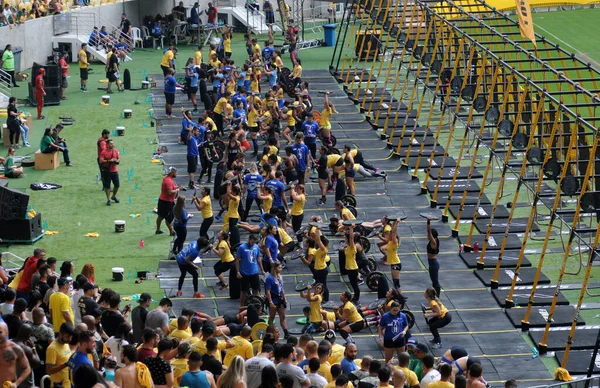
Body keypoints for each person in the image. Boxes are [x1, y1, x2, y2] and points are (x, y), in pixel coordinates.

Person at [0, 322, 30, 387]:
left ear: (7, 332)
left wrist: (16, 383)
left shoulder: (15, 349)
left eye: (0, 332)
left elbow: (27, 368)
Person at [265, 261, 289, 338]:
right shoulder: (269, 278)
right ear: (275, 268)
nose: (281, 269)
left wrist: (285, 298)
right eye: (279, 267)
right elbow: (268, 291)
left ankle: (286, 333)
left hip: (280, 299)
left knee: (283, 316)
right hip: (273, 299)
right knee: (272, 317)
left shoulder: (280, 277)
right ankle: (268, 332)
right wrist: (270, 302)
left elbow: (282, 289)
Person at [236, 234, 261, 306]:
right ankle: (241, 305)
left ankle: (259, 305)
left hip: (254, 272)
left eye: (254, 242)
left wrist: (262, 270)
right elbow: (237, 260)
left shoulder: (256, 247)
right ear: (249, 240)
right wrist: (238, 272)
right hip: (245, 273)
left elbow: (258, 259)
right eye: (252, 242)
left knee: (256, 290)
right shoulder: (242, 247)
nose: (253, 243)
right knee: (243, 291)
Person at [157, 166, 182, 235]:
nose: (176, 174)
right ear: (172, 173)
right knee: (168, 217)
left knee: (161, 216)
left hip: (163, 201)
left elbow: (171, 188)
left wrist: (177, 187)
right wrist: (178, 190)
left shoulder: (167, 179)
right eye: (175, 172)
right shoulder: (169, 181)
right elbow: (169, 192)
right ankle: (172, 231)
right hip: (166, 202)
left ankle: (158, 229)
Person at [99, 139, 120, 206]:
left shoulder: (115, 151)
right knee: (107, 186)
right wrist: (109, 160)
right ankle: (108, 199)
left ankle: (113, 196)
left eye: (113, 143)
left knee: (117, 185)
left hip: (114, 170)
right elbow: (101, 161)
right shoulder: (103, 152)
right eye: (111, 144)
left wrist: (117, 161)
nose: (112, 145)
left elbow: (118, 158)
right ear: (107, 144)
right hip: (107, 171)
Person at [426, 217, 441, 297]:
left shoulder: (434, 242)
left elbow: (429, 231)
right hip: (432, 263)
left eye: (429, 235)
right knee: (433, 281)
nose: (427, 235)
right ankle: (434, 295)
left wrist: (428, 222)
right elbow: (429, 232)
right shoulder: (435, 241)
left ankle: (437, 296)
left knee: (435, 281)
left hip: (433, 264)